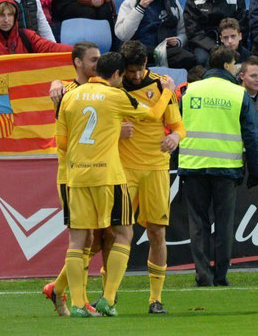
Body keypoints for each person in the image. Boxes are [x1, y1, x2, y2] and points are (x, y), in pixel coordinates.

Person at [55, 51, 175, 316]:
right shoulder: (118, 96)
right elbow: (154, 114)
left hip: (75, 176)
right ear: (118, 74)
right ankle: (108, 300)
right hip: (109, 176)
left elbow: (61, 143)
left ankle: (77, 305)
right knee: (123, 234)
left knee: (78, 241)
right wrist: (168, 91)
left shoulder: (69, 96)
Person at [179, 46, 258, 287]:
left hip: (193, 167)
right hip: (226, 168)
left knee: (198, 223)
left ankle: (203, 275)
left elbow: (176, 126)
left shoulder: (189, 90)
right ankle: (220, 275)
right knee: (224, 224)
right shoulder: (238, 93)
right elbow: (253, 137)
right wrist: (256, 171)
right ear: (228, 65)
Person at [118, 40, 185, 313]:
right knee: (116, 234)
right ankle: (109, 295)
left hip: (156, 167)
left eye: (140, 69)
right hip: (123, 169)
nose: (136, 76)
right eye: (131, 71)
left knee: (157, 232)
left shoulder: (160, 84)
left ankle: (155, 299)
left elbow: (179, 126)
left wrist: (175, 137)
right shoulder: (113, 86)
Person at [43, 41, 102, 317]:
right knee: (80, 238)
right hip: (70, 175)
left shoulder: (103, 91)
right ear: (77, 62)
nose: (97, 64)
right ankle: (80, 301)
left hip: (93, 173)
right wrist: (56, 82)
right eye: (92, 59)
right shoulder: (64, 91)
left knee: (90, 239)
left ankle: (57, 289)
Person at [115, 0, 195, 69]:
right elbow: (122, 35)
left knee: (189, 58)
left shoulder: (172, 0)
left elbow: (183, 30)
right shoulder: (131, 2)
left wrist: (178, 41)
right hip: (140, 52)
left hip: (167, 51)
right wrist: (139, 9)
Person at [183, 0, 248, 67]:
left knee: (245, 58)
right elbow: (193, 32)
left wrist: (229, 43)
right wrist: (215, 48)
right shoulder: (193, 0)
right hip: (205, 46)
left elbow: (243, 26)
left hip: (231, 41)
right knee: (202, 60)